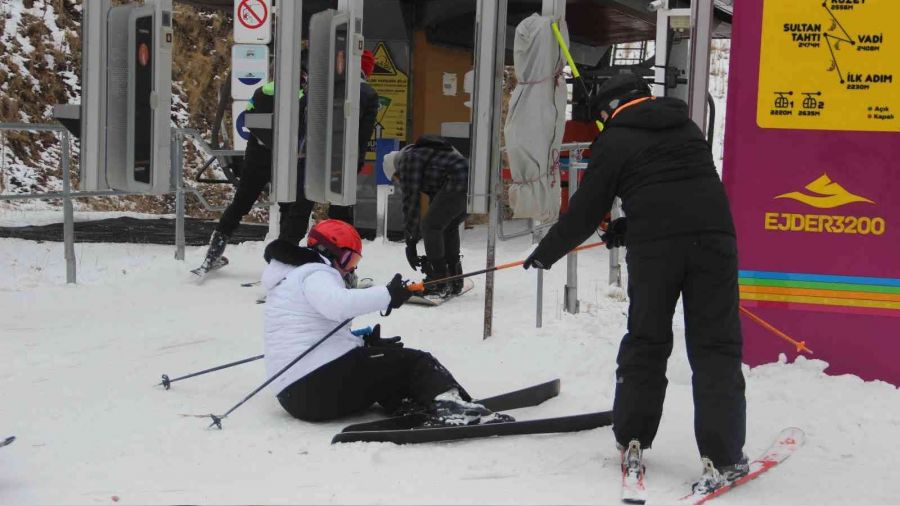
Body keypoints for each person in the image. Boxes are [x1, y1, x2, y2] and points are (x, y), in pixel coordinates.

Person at [522, 72, 747, 494]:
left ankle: (633, 437)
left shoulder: (615, 140)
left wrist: (547, 252)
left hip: (657, 252)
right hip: (715, 241)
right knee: (717, 348)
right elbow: (680, 189)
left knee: (647, 341)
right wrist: (631, 224)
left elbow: (586, 211)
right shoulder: (687, 127)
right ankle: (726, 456)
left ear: (608, 111)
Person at [261, 219, 513, 425]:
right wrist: (388, 294)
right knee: (417, 361)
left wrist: (362, 341)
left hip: (296, 395)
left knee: (383, 360)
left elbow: (310, 330)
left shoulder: (290, 279)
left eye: (355, 263)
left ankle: (409, 404)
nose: (349, 269)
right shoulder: (315, 273)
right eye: (348, 259)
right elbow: (338, 305)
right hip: (316, 385)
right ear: (328, 251)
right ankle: (454, 408)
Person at [199, 70, 314, 272]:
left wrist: (268, 140)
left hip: (256, 156)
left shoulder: (261, 92)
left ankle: (213, 254)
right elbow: (303, 131)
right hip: (285, 159)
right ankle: (281, 261)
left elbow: (250, 122)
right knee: (288, 207)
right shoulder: (303, 100)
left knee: (241, 203)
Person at [382, 135, 469, 298]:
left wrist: (410, 242)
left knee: (430, 226)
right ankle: (454, 277)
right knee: (446, 227)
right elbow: (436, 203)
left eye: (397, 178)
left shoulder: (407, 160)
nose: (400, 182)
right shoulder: (425, 156)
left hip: (457, 182)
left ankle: (439, 281)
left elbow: (411, 202)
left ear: (395, 169)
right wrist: (414, 240)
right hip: (472, 186)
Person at [327, 49, 381, 224]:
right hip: (345, 156)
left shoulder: (330, 84)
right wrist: (358, 160)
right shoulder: (368, 93)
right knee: (341, 202)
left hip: (315, 150)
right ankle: (339, 239)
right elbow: (363, 134)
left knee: (301, 205)